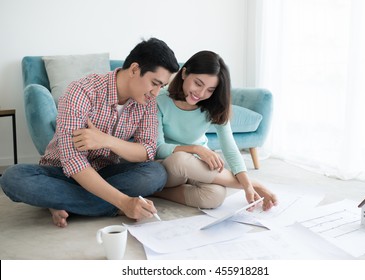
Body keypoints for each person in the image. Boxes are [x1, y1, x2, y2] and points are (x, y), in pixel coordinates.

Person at [0, 38, 179, 228]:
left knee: (156, 173)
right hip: (60, 172)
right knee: (13, 178)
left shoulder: (148, 102)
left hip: (105, 173)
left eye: (162, 86)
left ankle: (61, 201)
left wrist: (106, 141)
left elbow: (147, 151)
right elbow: (73, 162)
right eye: (155, 83)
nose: (156, 92)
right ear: (135, 69)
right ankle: (107, 204)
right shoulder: (82, 91)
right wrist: (124, 202)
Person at [154, 50, 278, 210]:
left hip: (196, 165)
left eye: (210, 90)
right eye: (198, 83)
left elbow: (230, 149)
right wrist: (250, 185)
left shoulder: (213, 106)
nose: (201, 93)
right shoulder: (159, 100)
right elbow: (158, 149)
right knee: (180, 160)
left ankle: (156, 192)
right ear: (184, 73)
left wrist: (246, 184)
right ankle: (256, 185)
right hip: (169, 165)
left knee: (215, 196)